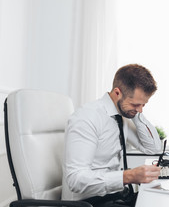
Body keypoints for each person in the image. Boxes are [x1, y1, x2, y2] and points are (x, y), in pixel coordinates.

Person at [62, 64, 162, 207]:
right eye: (135, 104)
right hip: (87, 202)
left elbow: (153, 149)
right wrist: (129, 176)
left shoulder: (123, 115)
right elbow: (76, 180)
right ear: (117, 93)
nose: (140, 110)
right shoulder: (86, 118)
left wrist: (136, 115)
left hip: (115, 196)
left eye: (143, 105)